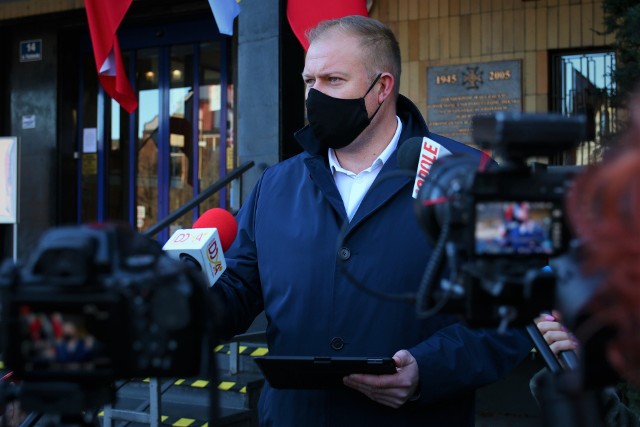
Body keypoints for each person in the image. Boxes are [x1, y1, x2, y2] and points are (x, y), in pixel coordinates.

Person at [211, 15, 532, 426]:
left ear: (382, 88)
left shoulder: (477, 173)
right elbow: (239, 286)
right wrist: (186, 306)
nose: (314, 95)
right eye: (310, 81)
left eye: (334, 80)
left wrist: (428, 369)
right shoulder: (275, 184)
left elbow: (517, 310)